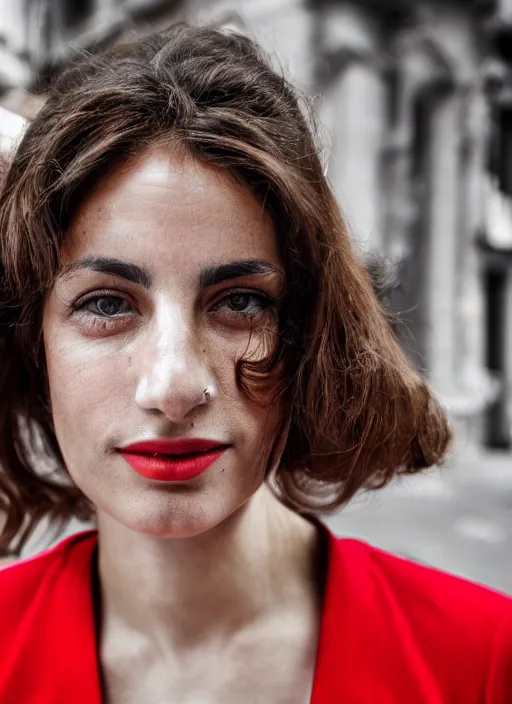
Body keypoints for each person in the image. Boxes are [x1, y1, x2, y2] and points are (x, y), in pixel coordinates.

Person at [0, 22, 510, 704]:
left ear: (310, 332)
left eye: (239, 301)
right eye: (105, 304)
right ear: (34, 344)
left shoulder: (479, 660)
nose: (175, 386)